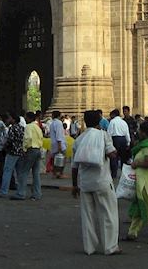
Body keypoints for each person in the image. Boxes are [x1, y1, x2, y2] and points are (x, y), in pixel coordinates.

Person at [71, 110, 120, 256]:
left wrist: (75, 185)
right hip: (102, 181)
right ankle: (110, 247)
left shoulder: (79, 140)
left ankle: (89, 247)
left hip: (85, 183)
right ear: (99, 121)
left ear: (85, 122)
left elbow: (74, 167)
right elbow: (112, 154)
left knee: (88, 216)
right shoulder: (103, 135)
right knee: (108, 214)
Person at [11, 111, 43, 201]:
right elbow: (41, 138)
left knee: (23, 172)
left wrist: (24, 149)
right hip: (37, 149)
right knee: (36, 173)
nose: (24, 118)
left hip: (30, 149)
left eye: (25, 117)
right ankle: (37, 193)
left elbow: (27, 138)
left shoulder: (28, 127)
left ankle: (21, 193)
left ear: (28, 118)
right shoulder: (37, 127)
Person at [0, 113, 23, 197]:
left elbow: (10, 141)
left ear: (13, 119)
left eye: (9, 118)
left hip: (12, 152)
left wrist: (4, 146)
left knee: (7, 171)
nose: (8, 120)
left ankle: (4, 191)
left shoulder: (12, 128)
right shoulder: (22, 128)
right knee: (20, 172)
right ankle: (21, 190)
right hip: (20, 152)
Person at [106, 108, 130, 179]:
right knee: (123, 158)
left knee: (114, 157)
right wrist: (128, 143)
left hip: (115, 140)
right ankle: (123, 174)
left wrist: (108, 143)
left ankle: (114, 174)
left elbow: (109, 133)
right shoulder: (123, 122)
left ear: (113, 115)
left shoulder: (112, 122)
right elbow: (127, 133)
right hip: (123, 140)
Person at [49, 110, 68, 179]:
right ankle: (60, 173)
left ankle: (54, 173)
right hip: (59, 143)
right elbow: (59, 134)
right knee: (63, 158)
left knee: (55, 159)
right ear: (59, 116)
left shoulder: (52, 123)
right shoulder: (59, 123)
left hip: (54, 143)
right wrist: (60, 145)